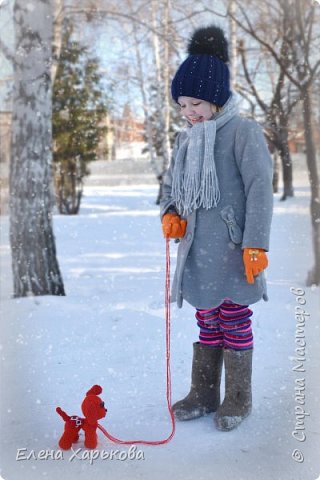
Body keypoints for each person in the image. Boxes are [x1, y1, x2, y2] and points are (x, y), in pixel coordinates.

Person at [160, 25, 273, 431]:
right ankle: (203, 392)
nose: (189, 111)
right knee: (207, 317)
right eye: (183, 104)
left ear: (218, 98)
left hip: (232, 248)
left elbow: (261, 188)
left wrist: (255, 244)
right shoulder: (186, 139)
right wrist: (170, 211)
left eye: (197, 103)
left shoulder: (242, 133)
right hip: (197, 249)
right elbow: (171, 184)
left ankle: (238, 397)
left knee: (233, 317)